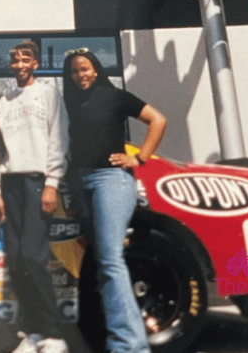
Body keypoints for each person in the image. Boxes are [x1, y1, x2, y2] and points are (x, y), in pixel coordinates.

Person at [61, 50, 166, 353]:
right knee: (102, 262)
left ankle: (131, 346)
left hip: (111, 181)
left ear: (95, 69)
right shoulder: (71, 102)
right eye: (74, 72)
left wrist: (139, 157)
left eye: (85, 69)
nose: (80, 75)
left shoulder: (115, 96)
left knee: (110, 260)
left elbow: (157, 120)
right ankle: (118, 339)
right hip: (81, 183)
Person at [0, 40, 69, 353]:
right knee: (15, 259)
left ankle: (54, 334)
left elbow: (59, 136)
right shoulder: (4, 100)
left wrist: (52, 182)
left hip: (37, 181)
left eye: (26, 59)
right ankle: (33, 332)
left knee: (33, 256)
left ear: (35, 63)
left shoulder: (49, 93)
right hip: (10, 184)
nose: (20, 64)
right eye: (15, 60)